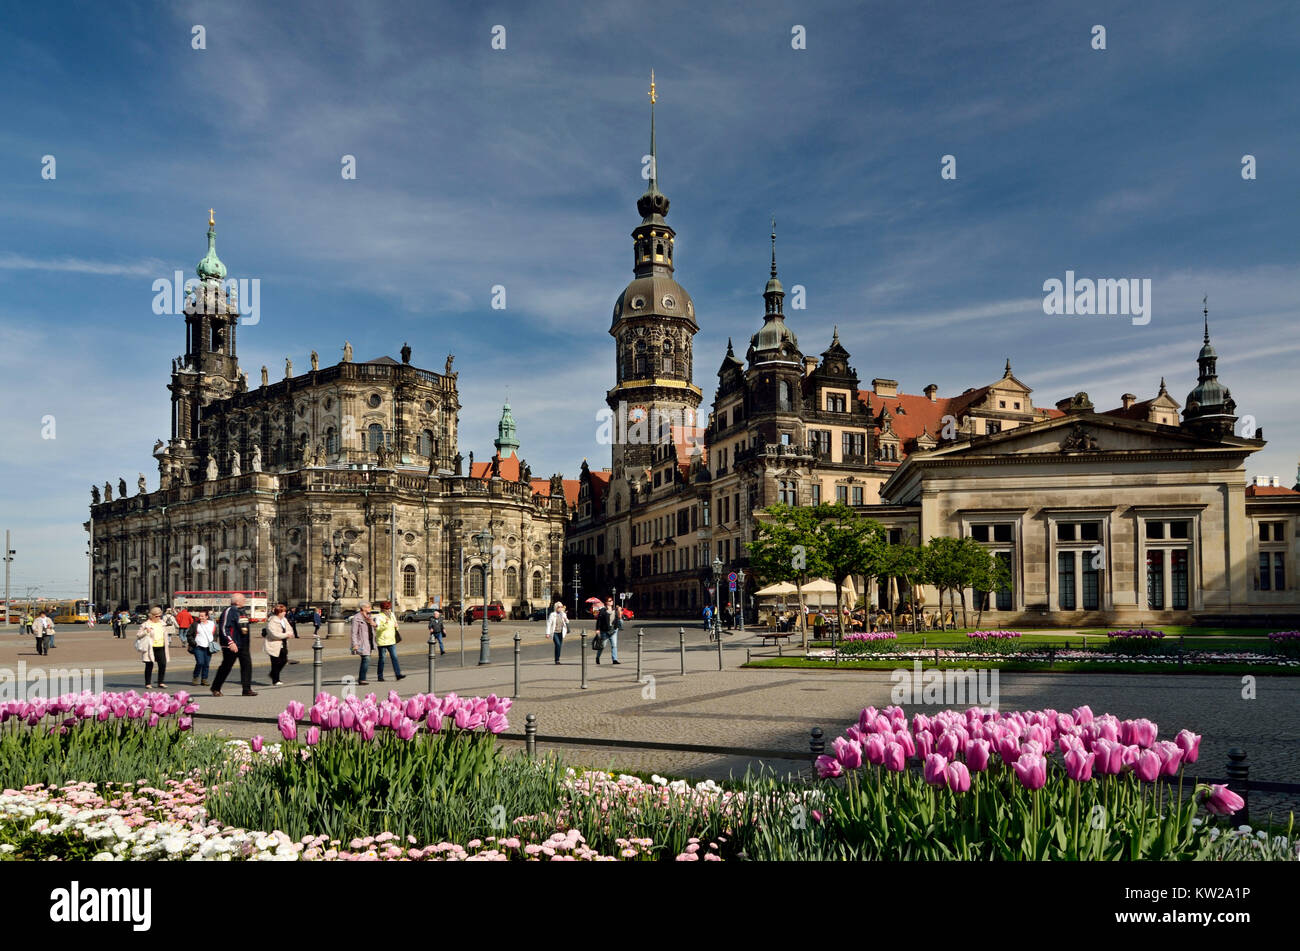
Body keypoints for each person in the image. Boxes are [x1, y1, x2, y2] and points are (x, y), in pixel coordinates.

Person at [210, 593, 257, 697]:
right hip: (232, 645)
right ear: (237, 601)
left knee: (247, 665)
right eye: (243, 599)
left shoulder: (242, 611)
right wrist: (230, 642)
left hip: (243, 644)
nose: (245, 600)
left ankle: (246, 689)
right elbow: (223, 628)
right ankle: (216, 687)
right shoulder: (229, 611)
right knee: (226, 666)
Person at [136, 606, 170, 689]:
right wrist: (145, 631)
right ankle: (148, 683)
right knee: (149, 665)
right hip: (150, 647)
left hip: (161, 646)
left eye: (160, 616)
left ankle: (161, 682)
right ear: (152, 616)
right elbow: (138, 635)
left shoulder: (162, 624)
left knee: (162, 664)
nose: (158, 617)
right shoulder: (146, 624)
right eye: (157, 616)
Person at [373, 600, 404, 681]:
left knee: (395, 658)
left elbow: (395, 626)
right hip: (382, 641)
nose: (388, 610)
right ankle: (380, 676)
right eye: (387, 608)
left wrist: (396, 626)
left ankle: (398, 674)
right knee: (382, 659)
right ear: (382, 609)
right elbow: (377, 629)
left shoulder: (392, 615)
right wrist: (385, 624)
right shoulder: (379, 617)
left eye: (389, 608)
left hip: (391, 640)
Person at [263, 602, 293, 686]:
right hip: (273, 644)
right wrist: (286, 634)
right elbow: (273, 634)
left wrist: (289, 633)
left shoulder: (284, 620)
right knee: (275, 662)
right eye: (283, 611)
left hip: (283, 643)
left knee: (284, 660)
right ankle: (276, 680)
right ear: (279, 612)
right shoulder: (272, 621)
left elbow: (290, 629)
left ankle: (273, 674)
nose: (285, 613)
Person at [350, 601, 376, 684]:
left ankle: (362, 678)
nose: (370, 608)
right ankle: (362, 679)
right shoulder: (356, 618)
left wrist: (373, 624)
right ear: (363, 608)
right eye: (368, 607)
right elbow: (354, 632)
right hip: (361, 642)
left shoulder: (369, 617)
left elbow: (375, 628)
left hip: (369, 641)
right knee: (366, 658)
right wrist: (355, 644)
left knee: (366, 659)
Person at [191, 608, 216, 686]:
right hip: (198, 646)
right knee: (200, 662)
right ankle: (195, 677)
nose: (200, 618)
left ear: (207, 617)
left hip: (208, 647)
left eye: (202, 616)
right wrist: (193, 642)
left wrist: (214, 642)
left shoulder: (212, 624)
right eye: (200, 616)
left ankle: (204, 679)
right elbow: (189, 635)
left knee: (206, 664)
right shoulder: (195, 624)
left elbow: (215, 634)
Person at [594, 597, 622, 665]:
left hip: (614, 631)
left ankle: (614, 659)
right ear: (606, 602)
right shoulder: (603, 610)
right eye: (609, 601)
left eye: (612, 600)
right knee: (602, 646)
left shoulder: (614, 610)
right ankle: (597, 657)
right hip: (605, 631)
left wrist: (619, 611)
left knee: (614, 645)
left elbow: (619, 618)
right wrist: (597, 629)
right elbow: (599, 621)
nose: (611, 602)